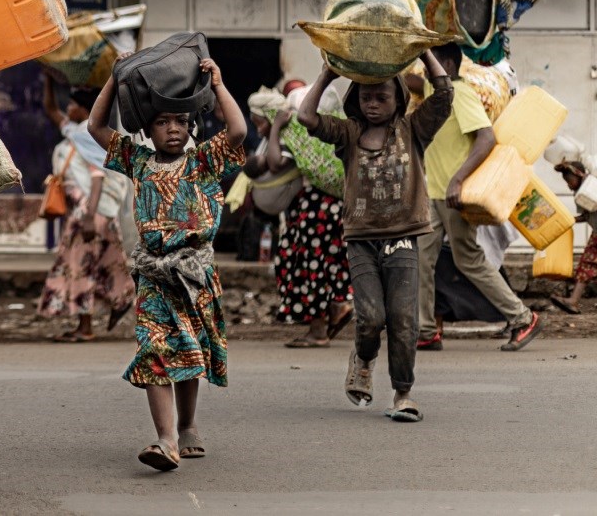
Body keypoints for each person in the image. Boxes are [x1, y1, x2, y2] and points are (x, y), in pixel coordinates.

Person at [88, 53, 247, 471]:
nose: (172, 128)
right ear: (148, 128)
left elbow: (239, 129)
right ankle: (166, 439)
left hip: (193, 275)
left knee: (189, 354)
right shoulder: (138, 161)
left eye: (179, 121)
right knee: (155, 351)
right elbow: (96, 127)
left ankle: (189, 424)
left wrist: (218, 84)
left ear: (190, 125)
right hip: (154, 275)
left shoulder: (203, 161)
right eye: (162, 122)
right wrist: (112, 79)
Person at [297, 52, 454, 423]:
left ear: (399, 99)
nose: (372, 104)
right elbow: (306, 117)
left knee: (403, 319)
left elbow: (445, 93)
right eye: (366, 97)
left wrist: (422, 52)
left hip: (403, 238)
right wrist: (326, 75)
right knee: (369, 317)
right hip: (361, 240)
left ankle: (403, 393)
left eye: (381, 97)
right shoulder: (349, 134)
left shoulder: (413, 129)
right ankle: (363, 358)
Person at [417, 43, 543, 352]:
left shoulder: (458, 94)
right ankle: (425, 330)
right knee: (420, 259)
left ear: (446, 64)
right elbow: (407, 81)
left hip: (453, 195)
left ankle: (523, 318)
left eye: (429, 62)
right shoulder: (435, 94)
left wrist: (458, 180)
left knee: (468, 260)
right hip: (434, 194)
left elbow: (486, 138)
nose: (423, 69)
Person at [247, 87, 353, 348]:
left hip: (312, 209)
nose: (258, 129)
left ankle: (318, 330)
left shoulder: (289, 130)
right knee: (324, 262)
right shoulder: (300, 129)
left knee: (307, 266)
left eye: (259, 123)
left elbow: (275, 163)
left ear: (269, 115)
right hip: (326, 206)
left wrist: (275, 129)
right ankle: (336, 308)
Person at [38, 76, 134, 340]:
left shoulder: (88, 136)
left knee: (81, 266)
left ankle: (85, 327)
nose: (68, 109)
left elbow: (97, 178)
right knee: (107, 262)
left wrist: (89, 217)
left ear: (85, 110)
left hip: (89, 212)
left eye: (72, 105)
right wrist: (48, 78)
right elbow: (50, 110)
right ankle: (121, 299)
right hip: (94, 213)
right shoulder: (75, 132)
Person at [549, 161, 592, 314]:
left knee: (587, 264)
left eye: (569, 180)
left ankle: (573, 300)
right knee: (586, 265)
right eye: (566, 181)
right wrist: (569, 220)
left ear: (579, 175)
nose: (568, 185)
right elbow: (587, 216)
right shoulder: (582, 193)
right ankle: (573, 301)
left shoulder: (591, 188)